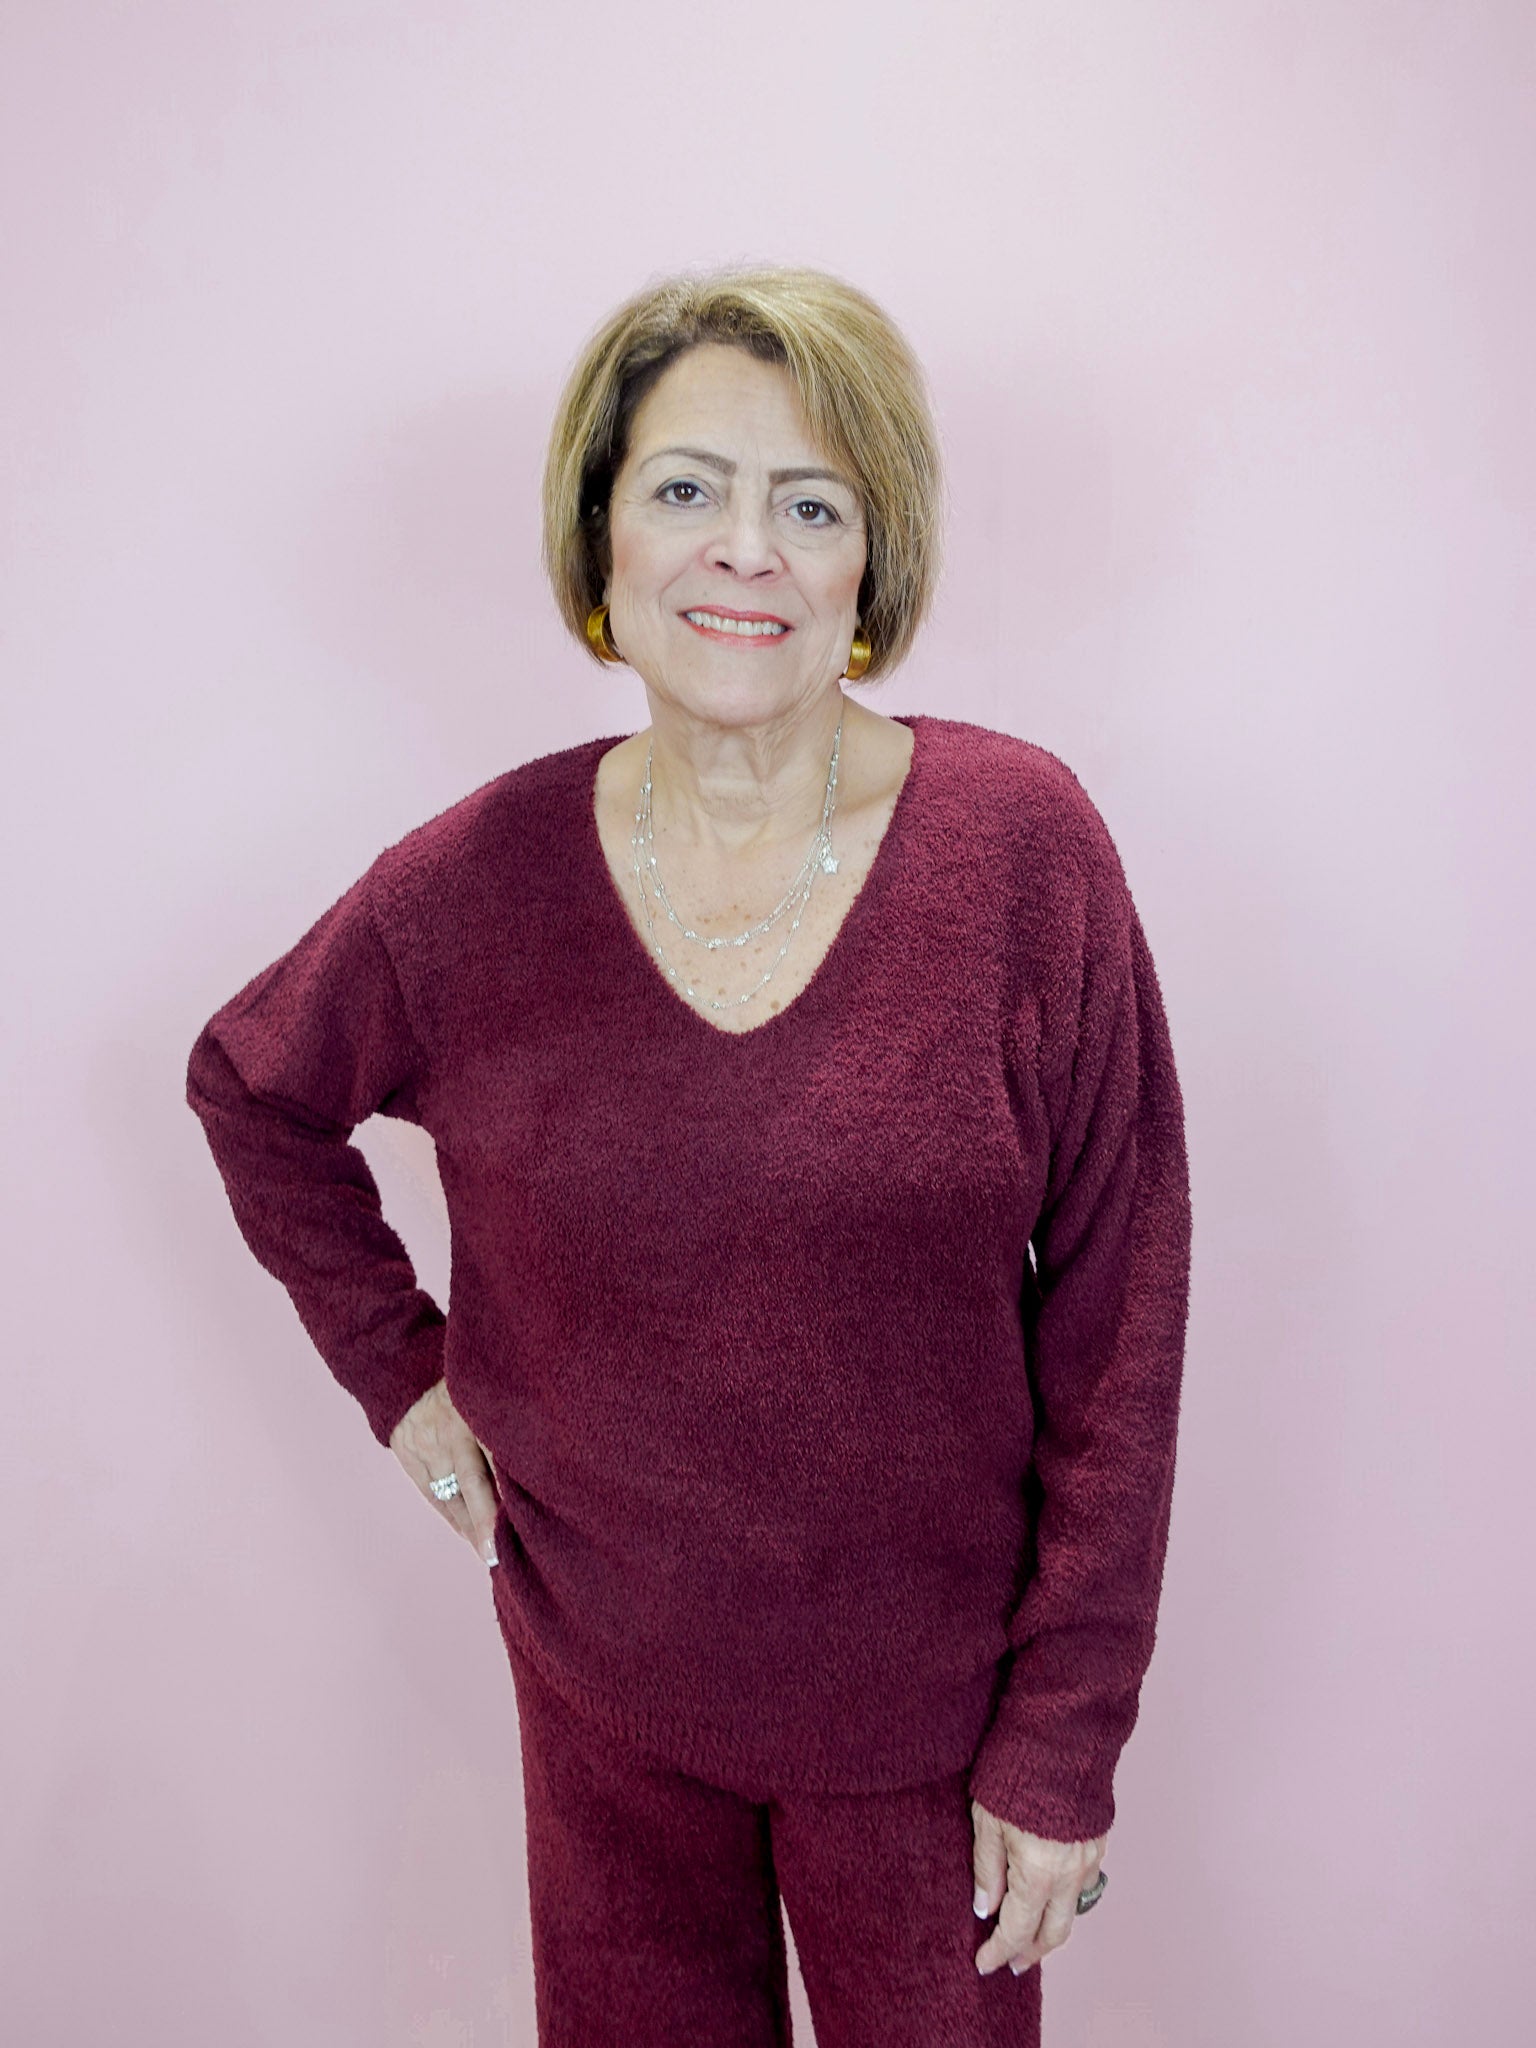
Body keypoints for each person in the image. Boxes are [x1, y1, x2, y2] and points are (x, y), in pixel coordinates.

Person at [186, 264, 1193, 2048]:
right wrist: (410, 1391)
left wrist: (1065, 1738)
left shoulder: (1025, 853)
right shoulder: (474, 884)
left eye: (810, 504)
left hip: (930, 1735)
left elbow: (1121, 1322)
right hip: (606, 1710)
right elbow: (251, 1087)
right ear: (602, 543)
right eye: (686, 489)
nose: (747, 549)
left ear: (868, 564)